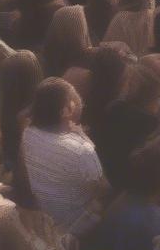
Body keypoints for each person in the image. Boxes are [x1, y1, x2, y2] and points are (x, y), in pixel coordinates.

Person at [19, 77, 108, 237]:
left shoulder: (28, 133)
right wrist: (83, 138)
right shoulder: (82, 151)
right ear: (65, 111)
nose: (79, 101)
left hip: (45, 214)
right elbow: (103, 190)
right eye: (74, 99)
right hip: (73, 226)